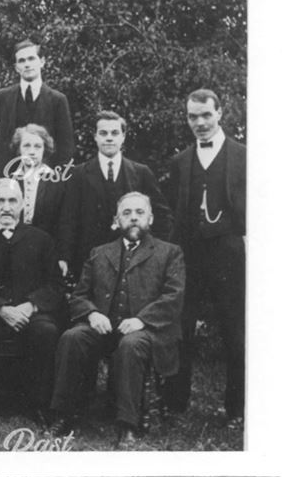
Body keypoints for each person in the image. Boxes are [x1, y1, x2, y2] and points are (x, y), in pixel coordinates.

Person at [50, 192, 185, 449]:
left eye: (139, 213)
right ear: (116, 219)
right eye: (126, 213)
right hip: (105, 328)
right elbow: (79, 294)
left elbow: (173, 297)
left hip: (147, 332)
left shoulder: (170, 253)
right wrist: (92, 313)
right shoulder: (100, 253)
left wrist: (142, 320)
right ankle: (63, 414)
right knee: (72, 337)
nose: (133, 218)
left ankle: (127, 424)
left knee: (131, 345)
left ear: (151, 218)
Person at [164, 89, 246, 427]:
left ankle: (238, 409)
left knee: (235, 329)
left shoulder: (244, 156)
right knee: (181, 327)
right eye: (192, 117)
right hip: (191, 252)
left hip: (229, 251)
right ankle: (176, 404)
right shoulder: (181, 161)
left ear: (220, 113)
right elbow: (175, 215)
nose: (199, 123)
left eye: (205, 115)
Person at [0, 178, 63, 421]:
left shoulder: (41, 239)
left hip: (30, 310)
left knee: (46, 331)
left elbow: (54, 285)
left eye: (12, 201)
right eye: (0, 201)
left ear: (22, 205)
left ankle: (38, 403)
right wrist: (0, 308)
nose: (6, 207)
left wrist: (30, 305)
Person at [59, 111, 172, 281]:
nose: (109, 138)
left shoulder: (141, 173)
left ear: (123, 137)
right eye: (103, 133)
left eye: (115, 133)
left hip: (134, 259)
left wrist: (153, 252)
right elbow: (68, 219)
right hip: (90, 259)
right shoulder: (78, 174)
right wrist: (65, 257)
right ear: (95, 137)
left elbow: (162, 216)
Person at [0, 39, 74, 173]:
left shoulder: (58, 100)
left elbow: (66, 146)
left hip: (46, 178)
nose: (27, 64)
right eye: (22, 61)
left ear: (42, 62)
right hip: (8, 175)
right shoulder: (2, 97)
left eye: (31, 59)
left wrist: (57, 178)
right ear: (16, 67)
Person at [5, 124, 68, 245]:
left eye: (37, 146)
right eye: (27, 146)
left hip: (47, 245)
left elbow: (64, 221)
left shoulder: (57, 181)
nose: (32, 152)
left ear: (45, 149)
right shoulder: (10, 180)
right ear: (19, 149)